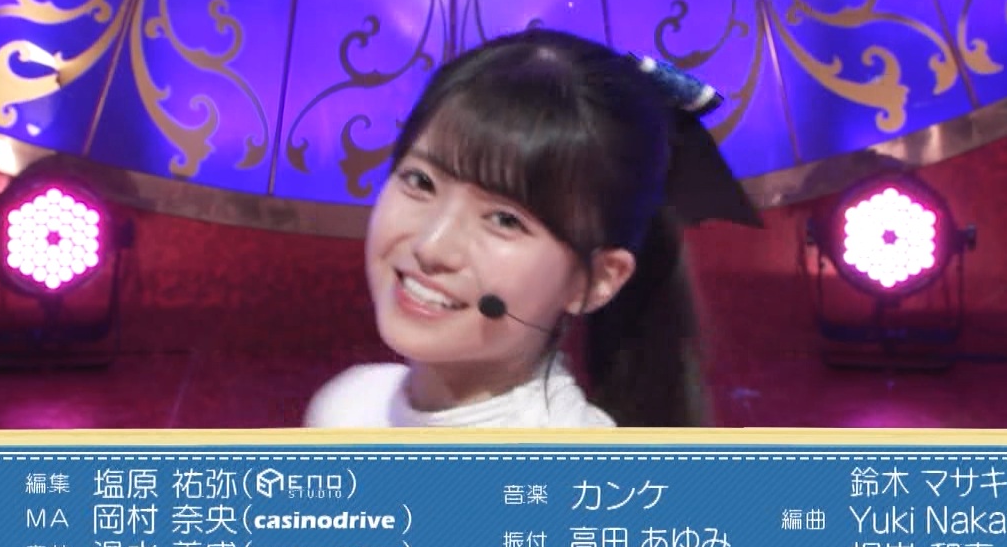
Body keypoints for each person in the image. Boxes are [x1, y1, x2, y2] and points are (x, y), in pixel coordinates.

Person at [304, 29, 758, 429]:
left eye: (505, 219)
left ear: (598, 279)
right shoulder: (349, 405)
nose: (431, 246)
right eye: (420, 181)